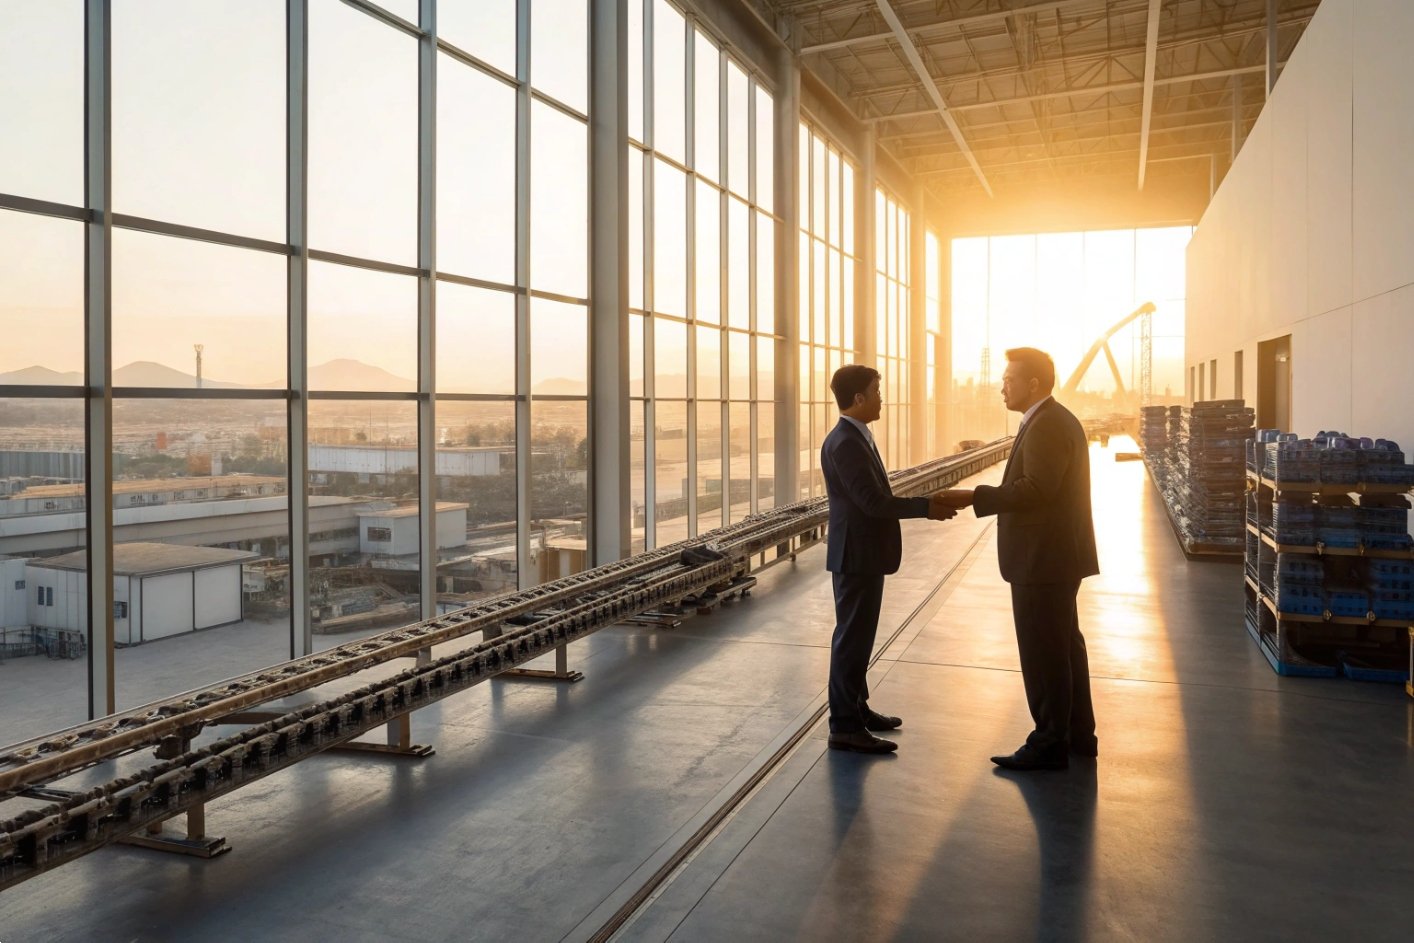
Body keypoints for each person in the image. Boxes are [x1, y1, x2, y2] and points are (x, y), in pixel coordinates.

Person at [933, 347, 1099, 771]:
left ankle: (1048, 742)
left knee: (1044, 652)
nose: (1001, 385)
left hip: (1041, 558)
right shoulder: (1051, 419)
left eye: (1008, 379)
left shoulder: (1046, 425)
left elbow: (1035, 490)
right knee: (1063, 647)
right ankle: (1077, 734)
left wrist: (974, 496)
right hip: (1054, 556)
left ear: (1033, 385)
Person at [820, 364, 956, 755]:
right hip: (856, 555)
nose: (883, 398)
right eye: (877, 391)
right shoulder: (846, 442)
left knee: (859, 637)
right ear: (859, 398)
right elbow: (873, 502)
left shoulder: (855, 436)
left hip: (862, 553)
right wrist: (926, 508)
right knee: (851, 640)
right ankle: (844, 726)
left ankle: (857, 709)